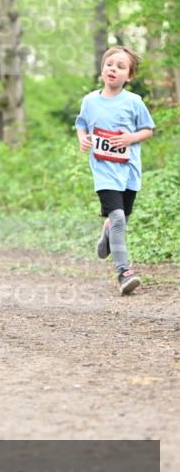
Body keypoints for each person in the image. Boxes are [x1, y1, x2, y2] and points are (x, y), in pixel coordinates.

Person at [75, 46, 154, 295]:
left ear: (128, 76)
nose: (114, 69)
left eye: (121, 67)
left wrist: (130, 138)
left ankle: (107, 231)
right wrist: (82, 138)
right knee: (119, 217)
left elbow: (148, 130)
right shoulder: (90, 101)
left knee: (121, 218)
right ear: (102, 68)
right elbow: (81, 124)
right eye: (110, 64)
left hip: (129, 172)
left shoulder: (134, 102)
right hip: (104, 171)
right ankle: (124, 272)